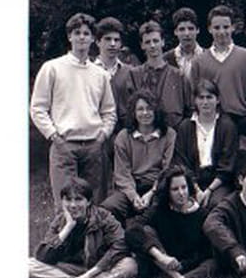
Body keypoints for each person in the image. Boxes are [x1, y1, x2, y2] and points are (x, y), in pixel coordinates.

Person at [30, 12, 116, 206]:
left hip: (93, 147)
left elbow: (109, 111)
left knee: (94, 206)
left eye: (86, 33)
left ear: (93, 38)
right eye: (77, 33)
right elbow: (38, 108)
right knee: (66, 207)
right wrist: (54, 136)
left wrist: (102, 136)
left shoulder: (100, 74)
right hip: (64, 146)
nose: (82, 37)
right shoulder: (52, 68)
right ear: (70, 36)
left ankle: (92, 229)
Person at [29, 177, 138, 278]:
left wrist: (89, 274)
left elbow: (121, 244)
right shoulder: (59, 221)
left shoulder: (103, 217)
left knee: (129, 265)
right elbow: (43, 256)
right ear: (62, 202)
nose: (73, 205)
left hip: (98, 267)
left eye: (78, 199)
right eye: (68, 200)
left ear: (88, 202)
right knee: (28, 265)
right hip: (69, 268)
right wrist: (68, 227)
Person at [125, 166, 217, 278]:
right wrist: (161, 257)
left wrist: (182, 265)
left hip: (191, 265)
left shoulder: (202, 215)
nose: (181, 193)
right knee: (146, 231)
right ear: (167, 192)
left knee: (213, 263)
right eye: (175, 189)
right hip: (164, 263)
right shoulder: (159, 210)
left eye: (184, 187)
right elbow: (132, 228)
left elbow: (206, 252)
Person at [102, 91, 177, 224]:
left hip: (158, 188)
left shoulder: (169, 135)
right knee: (109, 207)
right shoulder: (123, 137)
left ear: (156, 111)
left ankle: (139, 232)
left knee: (157, 210)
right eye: (140, 109)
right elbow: (122, 173)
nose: (145, 113)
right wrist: (133, 197)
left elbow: (168, 170)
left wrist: (152, 193)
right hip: (130, 188)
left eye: (149, 109)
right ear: (134, 113)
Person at [174, 79, 238, 208]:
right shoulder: (185, 127)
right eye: (201, 98)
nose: (205, 102)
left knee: (216, 204)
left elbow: (228, 164)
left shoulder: (227, 126)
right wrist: (196, 189)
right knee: (187, 204)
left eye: (209, 97)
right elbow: (181, 161)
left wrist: (209, 190)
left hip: (219, 182)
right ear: (195, 100)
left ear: (217, 100)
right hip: (191, 181)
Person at [190, 5, 246, 123]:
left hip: (240, 118)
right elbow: (194, 93)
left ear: (233, 27)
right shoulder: (199, 61)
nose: (222, 32)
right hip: (211, 120)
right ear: (209, 29)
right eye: (217, 28)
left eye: (226, 27)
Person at [127, 20, 192, 129]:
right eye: (148, 42)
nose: (152, 45)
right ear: (142, 45)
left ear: (163, 42)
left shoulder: (179, 76)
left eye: (155, 41)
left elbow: (189, 110)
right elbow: (130, 111)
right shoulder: (134, 75)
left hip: (174, 132)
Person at [93, 16, 135, 135]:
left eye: (116, 40)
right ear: (98, 42)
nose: (113, 44)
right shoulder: (88, 71)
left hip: (125, 134)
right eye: (108, 39)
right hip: (96, 134)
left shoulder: (130, 72)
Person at [164, 7, 205, 78]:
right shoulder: (166, 60)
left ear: (198, 30)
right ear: (175, 32)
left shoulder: (209, 57)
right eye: (182, 29)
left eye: (191, 29)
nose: (187, 33)